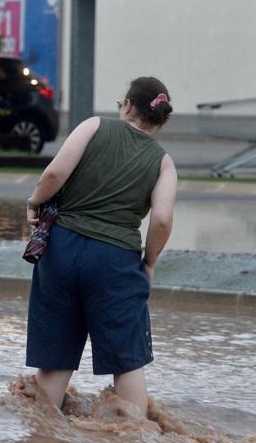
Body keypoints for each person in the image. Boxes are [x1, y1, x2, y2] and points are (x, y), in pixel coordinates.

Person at [24, 76, 177, 417]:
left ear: (126, 105)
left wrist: (34, 202)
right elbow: (163, 220)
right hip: (116, 262)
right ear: (160, 119)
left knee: (56, 358)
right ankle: (131, 439)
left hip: (62, 250)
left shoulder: (93, 127)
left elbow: (53, 175)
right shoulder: (163, 162)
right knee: (126, 361)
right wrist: (149, 263)